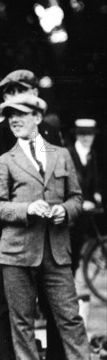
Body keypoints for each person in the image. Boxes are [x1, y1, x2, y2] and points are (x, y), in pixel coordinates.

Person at [0, 94, 106, 360]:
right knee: (21, 318)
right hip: (16, 251)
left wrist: (64, 211)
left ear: (38, 118)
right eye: (10, 115)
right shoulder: (5, 161)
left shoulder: (62, 155)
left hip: (56, 249)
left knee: (69, 316)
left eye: (22, 115)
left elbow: (77, 199)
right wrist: (28, 208)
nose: (14, 120)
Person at [0, 69, 68, 360]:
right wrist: (15, 214)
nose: (18, 98)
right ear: (5, 98)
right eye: (11, 92)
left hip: (50, 235)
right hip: (11, 233)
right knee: (10, 305)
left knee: (55, 305)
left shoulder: (50, 131)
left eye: (24, 91)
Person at [67, 118, 103, 329]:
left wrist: (96, 194)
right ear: (78, 135)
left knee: (79, 248)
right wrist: (82, 201)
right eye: (84, 135)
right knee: (69, 251)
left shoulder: (92, 155)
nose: (88, 138)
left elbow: (94, 178)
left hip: (85, 210)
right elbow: (71, 183)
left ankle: (71, 291)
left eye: (90, 135)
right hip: (72, 209)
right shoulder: (69, 154)